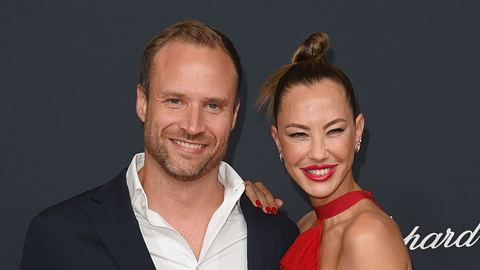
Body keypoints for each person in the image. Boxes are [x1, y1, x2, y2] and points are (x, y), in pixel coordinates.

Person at [20, 20, 298, 270]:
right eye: (175, 101)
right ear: (142, 102)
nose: (192, 126)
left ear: (234, 115)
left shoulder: (279, 238)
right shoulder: (60, 237)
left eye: (213, 105)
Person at [247, 32, 412, 269]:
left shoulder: (366, 235)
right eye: (299, 134)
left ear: (357, 131)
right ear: (278, 141)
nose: (318, 152)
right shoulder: (306, 226)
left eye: (333, 131)